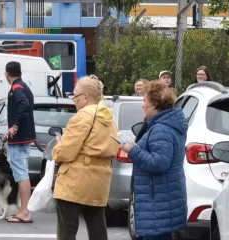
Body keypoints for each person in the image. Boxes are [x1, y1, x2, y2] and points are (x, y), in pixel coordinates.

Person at [52, 75, 119, 240]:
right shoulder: (109, 119)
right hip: (100, 179)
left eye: (75, 95)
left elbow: (66, 152)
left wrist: (57, 149)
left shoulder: (82, 117)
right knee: (97, 226)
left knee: (67, 229)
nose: (74, 100)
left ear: (85, 97)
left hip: (75, 179)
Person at [121, 80, 188, 240]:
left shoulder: (161, 129)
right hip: (161, 201)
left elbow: (159, 163)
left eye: (145, 101)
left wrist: (133, 151)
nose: (143, 105)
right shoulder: (164, 126)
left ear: (155, 105)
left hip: (157, 203)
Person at [4, 61, 36, 223]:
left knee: (21, 175)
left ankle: (24, 212)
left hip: (18, 139)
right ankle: (24, 210)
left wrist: (14, 126)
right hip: (25, 137)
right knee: (23, 173)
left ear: (7, 74)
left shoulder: (16, 89)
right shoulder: (25, 87)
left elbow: (23, 105)